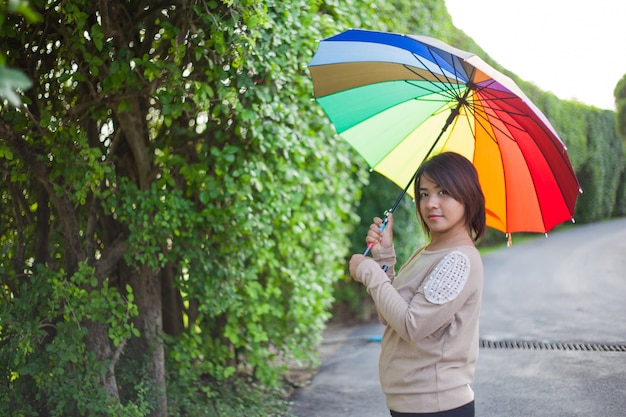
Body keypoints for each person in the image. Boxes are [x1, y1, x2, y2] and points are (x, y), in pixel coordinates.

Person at [349, 152, 486, 417]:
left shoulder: (458, 260)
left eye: (443, 192)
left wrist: (368, 271)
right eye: (424, 194)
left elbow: (412, 325)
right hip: (410, 404)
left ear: (467, 196)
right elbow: (390, 316)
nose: (431, 203)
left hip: (436, 406)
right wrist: (384, 256)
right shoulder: (427, 251)